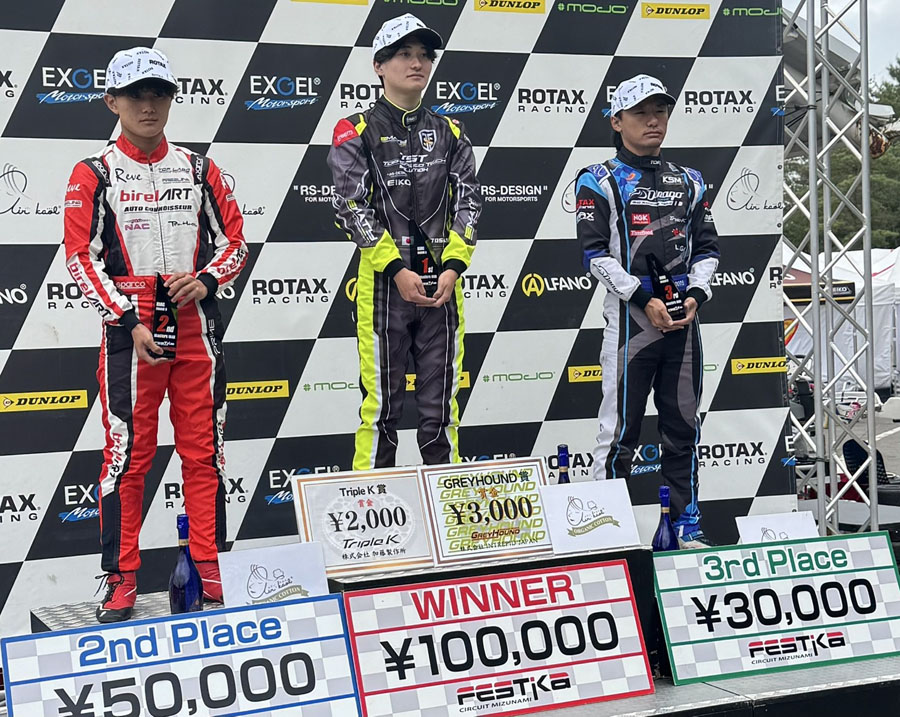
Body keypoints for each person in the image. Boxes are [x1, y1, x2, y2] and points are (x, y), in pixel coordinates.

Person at [64, 47, 248, 621]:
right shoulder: (93, 172)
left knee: (205, 452)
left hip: (195, 325)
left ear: (171, 100)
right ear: (112, 102)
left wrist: (209, 279)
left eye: (159, 94)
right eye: (136, 95)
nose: (149, 105)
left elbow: (235, 243)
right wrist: (126, 317)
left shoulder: (199, 168)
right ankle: (121, 578)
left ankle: (210, 566)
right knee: (128, 458)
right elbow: (80, 257)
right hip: (131, 330)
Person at [327, 14, 482, 470]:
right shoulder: (354, 130)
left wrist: (454, 266)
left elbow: (470, 202)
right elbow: (350, 206)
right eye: (403, 54)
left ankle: (448, 505)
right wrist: (396, 269)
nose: (416, 63)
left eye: (424, 55)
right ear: (378, 66)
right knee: (380, 411)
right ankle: (373, 506)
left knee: (441, 413)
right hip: (383, 289)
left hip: (443, 289)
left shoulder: (452, 131)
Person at [575, 74, 720, 548]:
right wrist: (643, 299)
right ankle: (604, 534)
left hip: (683, 325)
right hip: (630, 325)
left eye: (660, 110)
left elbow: (708, 249)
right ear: (617, 121)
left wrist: (695, 294)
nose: (653, 120)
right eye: (640, 112)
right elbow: (594, 255)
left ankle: (687, 527)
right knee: (619, 433)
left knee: (684, 429)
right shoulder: (598, 178)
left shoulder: (690, 180)